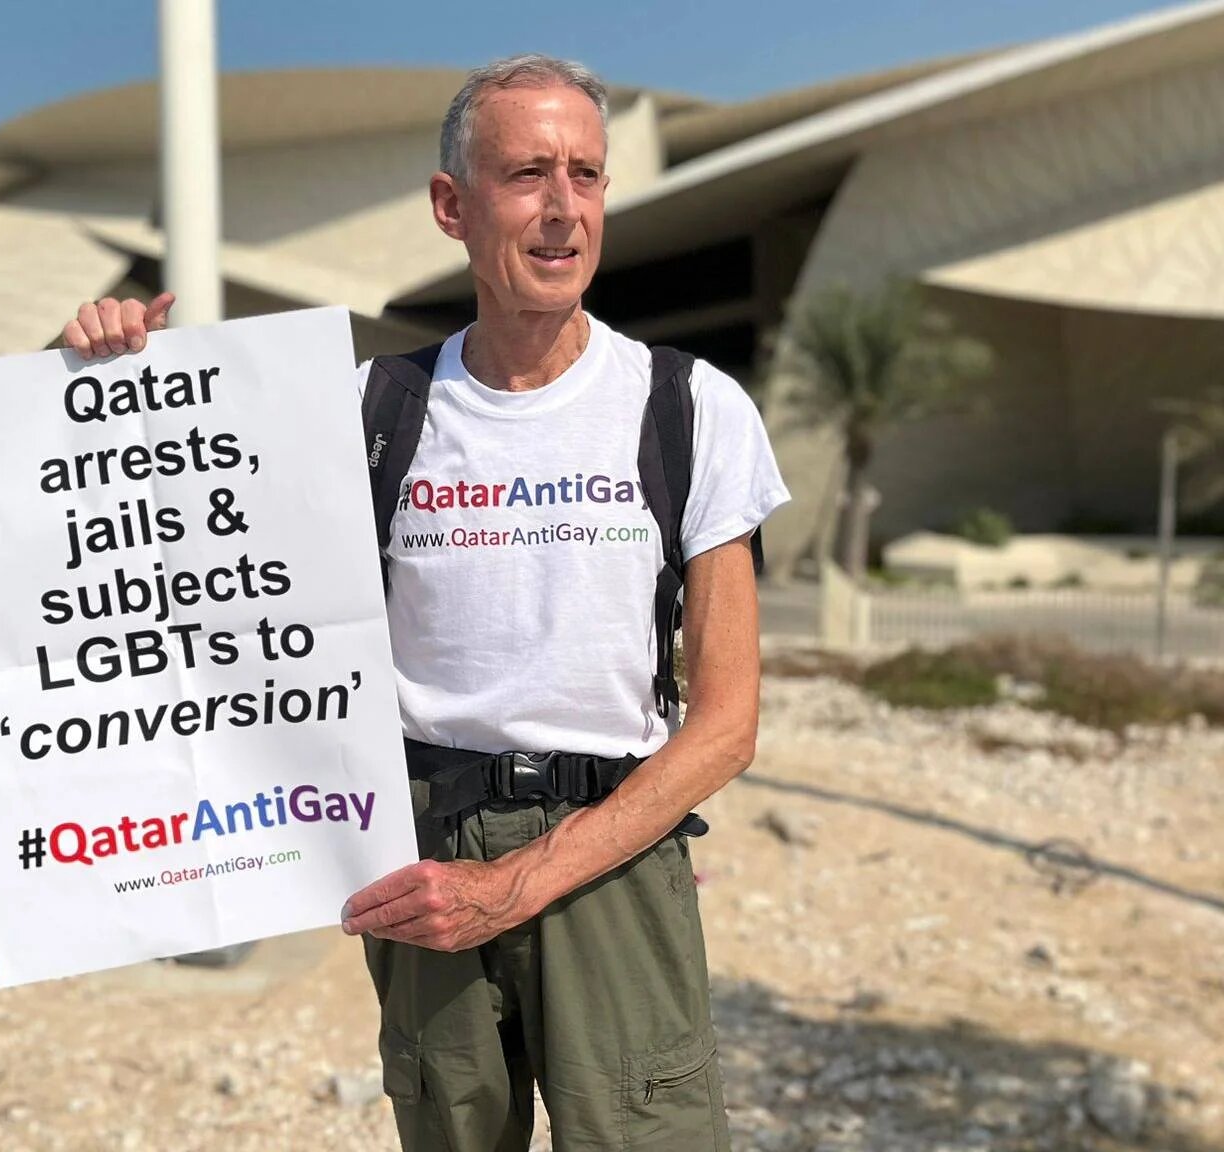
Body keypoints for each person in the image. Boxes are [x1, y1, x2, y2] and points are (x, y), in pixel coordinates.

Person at [63, 54, 787, 1152]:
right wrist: (117, 390)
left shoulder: (688, 407)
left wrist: (523, 882)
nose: (561, 210)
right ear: (452, 204)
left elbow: (725, 725)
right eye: (526, 174)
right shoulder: (373, 409)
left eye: (584, 176)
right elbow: (193, 577)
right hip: (421, 856)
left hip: (612, 857)